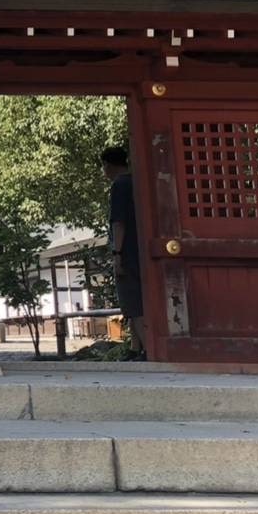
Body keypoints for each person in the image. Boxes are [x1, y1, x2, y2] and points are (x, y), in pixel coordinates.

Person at [101, 146, 146, 358]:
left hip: (127, 251)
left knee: (132, 303)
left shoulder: (119, 185)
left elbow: (118, 222)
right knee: (137, 300)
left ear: (107, 165)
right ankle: (135, 348)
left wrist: (117, 254)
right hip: (142, 248)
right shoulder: (138, 182)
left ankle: (147, 347)